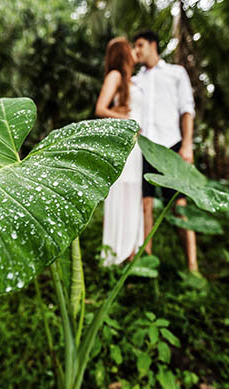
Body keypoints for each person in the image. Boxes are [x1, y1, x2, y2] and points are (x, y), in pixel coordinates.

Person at [132, 29, 199, 274]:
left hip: (172, 146)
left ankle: (193, 267)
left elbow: (187, 110)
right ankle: (147, 262)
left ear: (152, 45)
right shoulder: (135, 81)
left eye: (139, 45)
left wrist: (187, 144)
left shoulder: (175, 73)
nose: (136, 51)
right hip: (143, 148)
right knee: (145, 204)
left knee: (178, 205)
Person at [95, 37, 144, 266]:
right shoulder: (114, 76)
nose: (136, 52)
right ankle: (116, 253)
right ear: (123, 53)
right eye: (131, 48)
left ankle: (131, 251)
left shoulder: (131, 81)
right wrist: (126, 118)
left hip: (137, 147)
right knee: (121, 191)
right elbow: (100, 108)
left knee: (133, 192)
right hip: (123, 144)